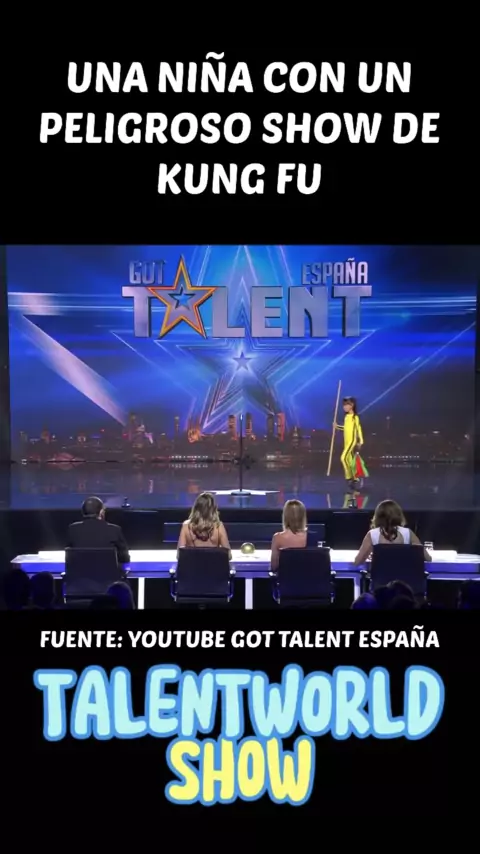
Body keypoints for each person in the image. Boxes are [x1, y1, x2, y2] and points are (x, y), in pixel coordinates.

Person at [353, 499, 432, 566]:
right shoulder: (408, 533)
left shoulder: (372, 534)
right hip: (404, 578)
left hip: (380, 579)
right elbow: (428, 558)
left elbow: (357, 562)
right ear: (399, 515)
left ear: (378, 516)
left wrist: (371, 555)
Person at [67, 496, 130, 564]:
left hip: (80, 571)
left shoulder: (73, 529)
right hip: (108, 571)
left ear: (83, 512)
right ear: (101, 512)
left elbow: (69, 558)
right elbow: (125, 559)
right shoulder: (114, 530)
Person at [177, 492, 231, 557]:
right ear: (213, 508)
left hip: (193, 563)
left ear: (196, 507)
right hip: (212, 563)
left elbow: (179, 555)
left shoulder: (186, 526)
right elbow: (228, 555)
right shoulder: (218, 526)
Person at [270, 499, 317, 571]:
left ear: (285, 517)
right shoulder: (313, 537)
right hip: (308, 577)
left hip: (285, 578)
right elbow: (314, 565)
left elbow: (274, 566)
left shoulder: (277, 538)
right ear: (303, 516)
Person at [334, 397, 365, 488]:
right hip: (346, 441)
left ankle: (349, 477)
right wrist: (337, 426)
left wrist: (361, 441)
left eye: (346, 405)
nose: (344, 407)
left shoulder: (355, 417)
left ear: (352, 405)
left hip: (352, 441)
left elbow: (358, 429)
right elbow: (346, 428)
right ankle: (355, 478)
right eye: (343, 405)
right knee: (350, 460)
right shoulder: (347, 417)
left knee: (343, 458)